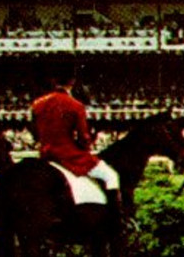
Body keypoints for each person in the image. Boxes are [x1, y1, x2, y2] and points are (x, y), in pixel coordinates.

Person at [31, 68, 123, 222]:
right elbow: (83, 138)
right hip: (69, 156)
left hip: (46, 154)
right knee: (111, 176)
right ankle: (116, 222)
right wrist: (87, 144)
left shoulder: (37, 104)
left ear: (54, 82)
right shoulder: (76, 105)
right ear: (72, 83)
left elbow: (35, 133)